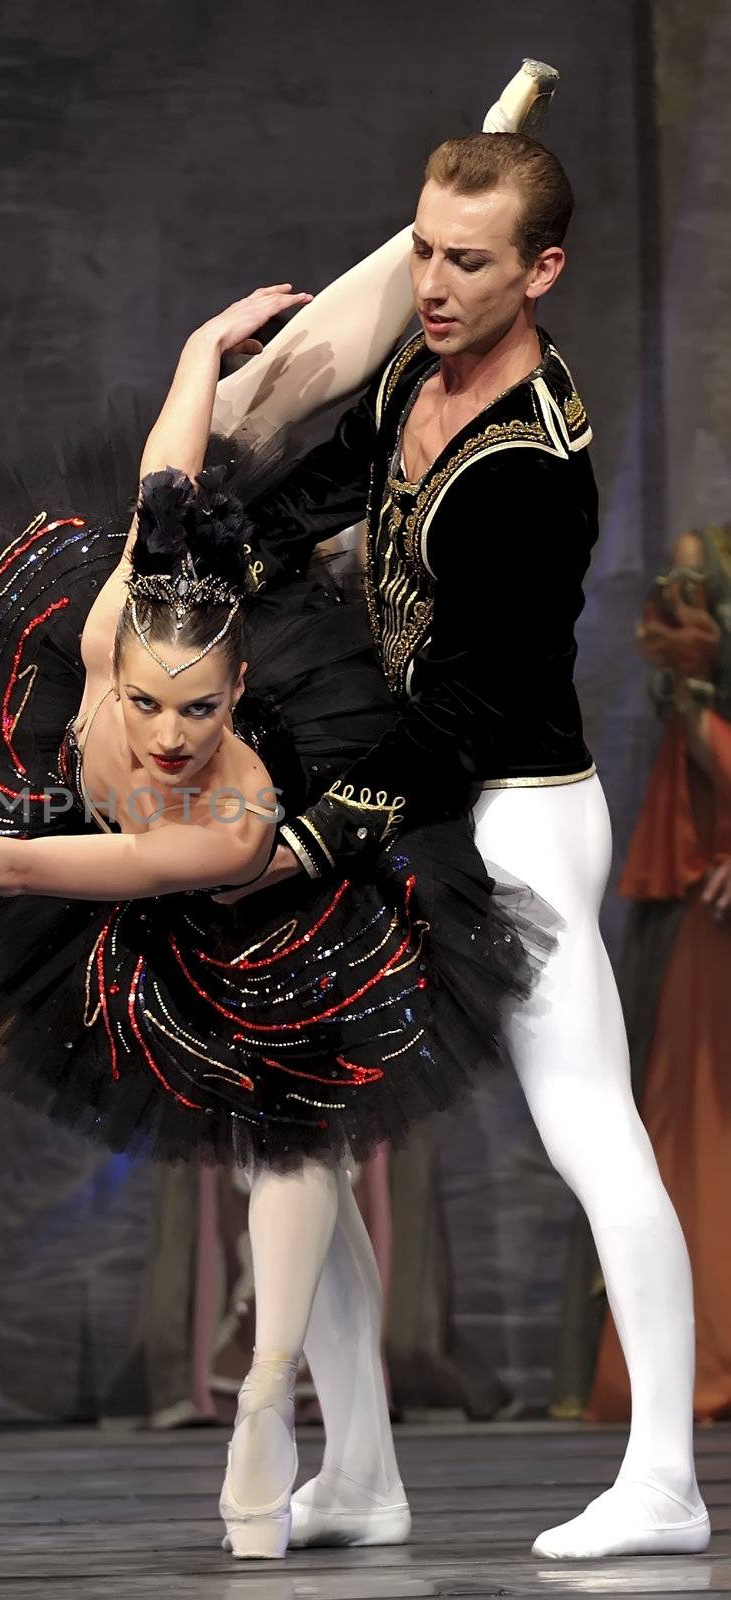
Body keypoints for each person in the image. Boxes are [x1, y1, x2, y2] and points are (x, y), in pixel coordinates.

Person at [0, 264, 547, 1559]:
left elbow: (24, 875)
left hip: (281, 922)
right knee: (235, 425)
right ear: (115, 661)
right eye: (147, 705)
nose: (163, 736)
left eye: (196, 711)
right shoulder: (113, 637)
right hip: (148, 866)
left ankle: (265, 1394)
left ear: (240, 688)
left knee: (294, 1138)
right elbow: (167, 479)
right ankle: (365, 1475)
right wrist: (201, 347)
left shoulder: (228, 815)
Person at [219, 131, 710, 1559]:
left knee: (588, 1131)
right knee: (289, 1128)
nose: (431, 284)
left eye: (468, 261)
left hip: (507, 816)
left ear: (540, 271)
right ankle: (360, 1474)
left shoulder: (532, 470)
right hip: (404, 790)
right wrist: (217, 516)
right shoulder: (414, 373)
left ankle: (666, 1482)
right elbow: (326, 492)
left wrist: (312, 838)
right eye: (422, 249)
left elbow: (462, 716)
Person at [578, 526, 731, 1425]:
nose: (661, 630)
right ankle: (690, 1360)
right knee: (685, 1139)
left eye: (684, 608)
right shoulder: (691, 698)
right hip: (699, 928)